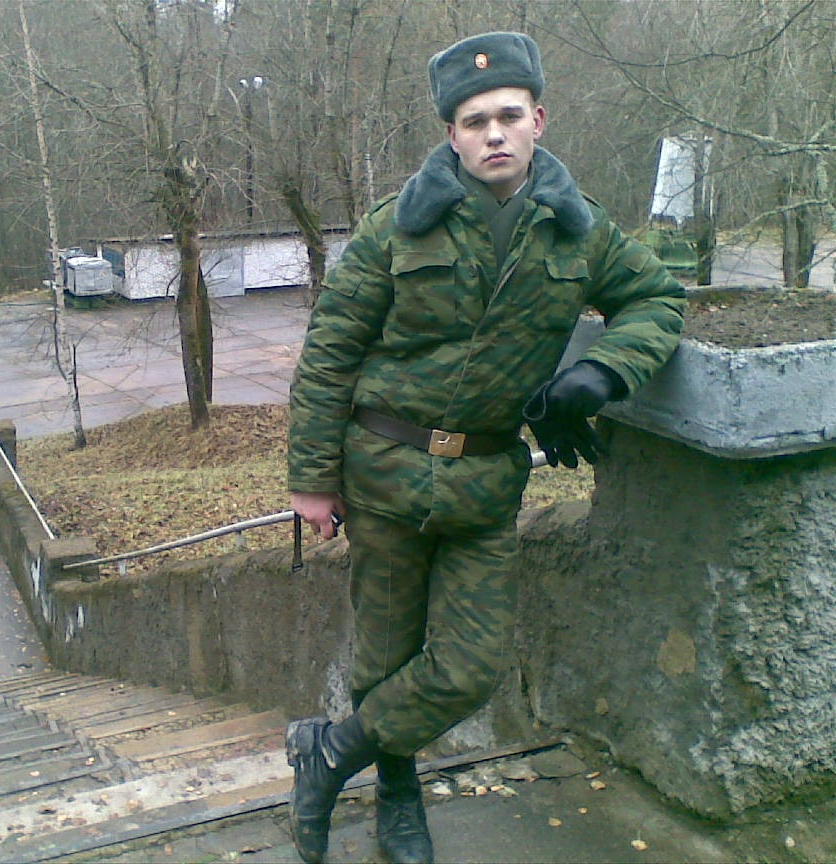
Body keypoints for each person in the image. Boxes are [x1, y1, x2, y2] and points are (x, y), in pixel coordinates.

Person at [285, 31, 686, 864]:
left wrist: (600, 372)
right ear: (452, 135)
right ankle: (397, 793)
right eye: (474, 121)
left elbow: (656, 300)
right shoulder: (395, 229)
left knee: (471, 667)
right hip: (383, 471)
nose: (493, 133)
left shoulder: (579, 231)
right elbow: (329, 355)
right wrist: (312, 479)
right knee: (385, 654)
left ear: (539, 120)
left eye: (509, 114)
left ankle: (328, 753)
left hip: (484, 484)